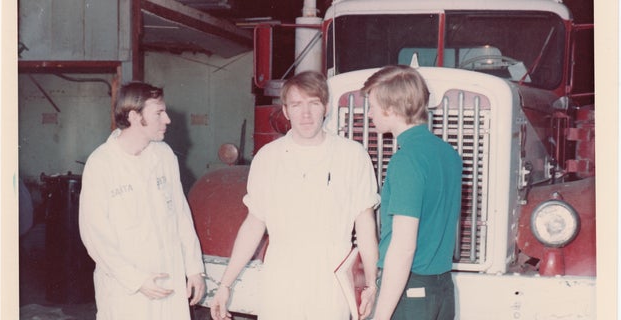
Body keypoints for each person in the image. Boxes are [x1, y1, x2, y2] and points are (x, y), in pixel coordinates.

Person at [209, 70, 380, 320]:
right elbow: (254, 224)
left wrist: (371, 284)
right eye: (297, 105)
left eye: (313, 103)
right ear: (286, 111)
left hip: (331, 284)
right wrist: (225, 285)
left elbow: (365, 226)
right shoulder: (268, 157)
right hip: (281, 282)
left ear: (327, 107)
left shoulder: (352, 155)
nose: (306, 114)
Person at [79, 82, 206, 320]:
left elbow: (180, 215)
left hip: (169, 278)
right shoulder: (102, 163)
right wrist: (135, 280)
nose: (167, 119)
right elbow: (95, 236)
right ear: (135, 116)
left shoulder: (164, 155)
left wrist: (194, 269)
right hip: (127, 288)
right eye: (159, 113)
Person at [361, 65, 462, 320]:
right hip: (442, 290)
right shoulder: (449, 154)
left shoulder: (406, 159)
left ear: (392, 108)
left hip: (410, 293)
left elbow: (404, 247)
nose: (369, 113)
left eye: (372, 105)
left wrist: (380, 316)